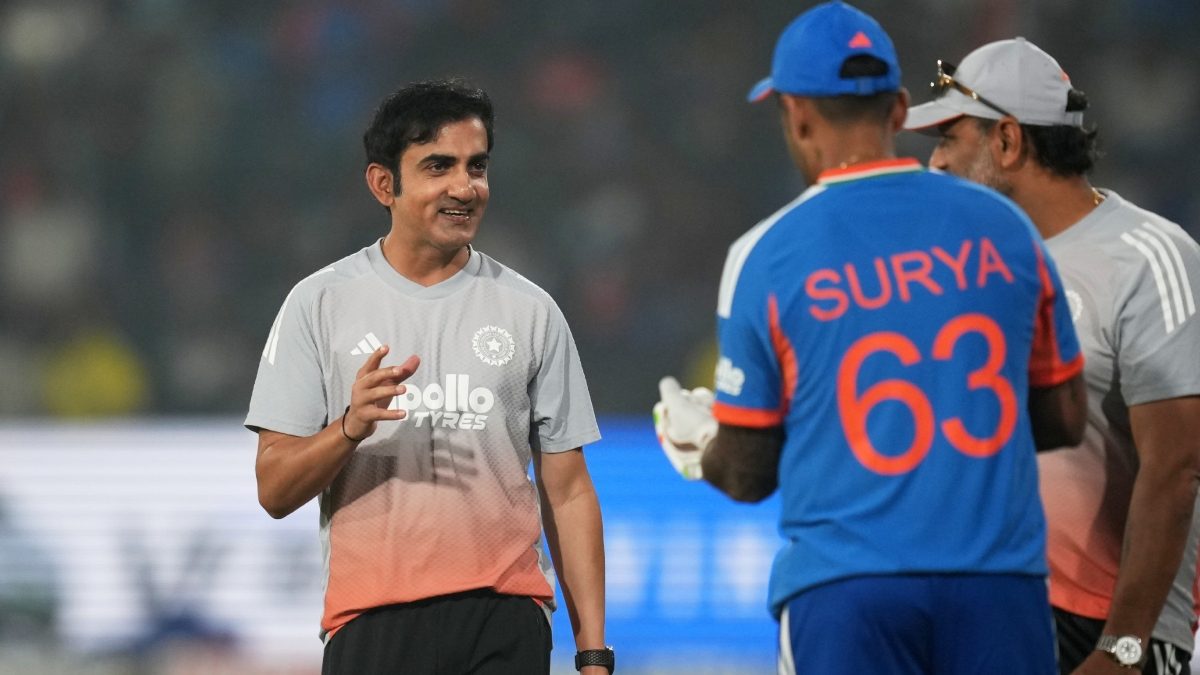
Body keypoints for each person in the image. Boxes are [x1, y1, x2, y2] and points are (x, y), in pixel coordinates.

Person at [652, 3, 1089, 673]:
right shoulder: (1006, 229)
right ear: (899, 110)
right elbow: (1063, 418)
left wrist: (705, 444)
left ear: (795, 113)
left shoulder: (765, 253)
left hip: (847, 590)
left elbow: (747, 473)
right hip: (1000, 586)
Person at [245, 80, 613, 675]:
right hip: (373, 621)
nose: (465, 187)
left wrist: (593, 652)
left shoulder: (531, 310)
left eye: (477, 166)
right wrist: (348, 428)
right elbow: (274, 490)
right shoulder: (319, 304)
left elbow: (568, 491)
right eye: (439, 166)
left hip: (507, 615)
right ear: (383, 184)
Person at [905, 37, 1200, 675]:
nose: (934, 163)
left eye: (949, 139)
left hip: (1109, 630)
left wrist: (1123, 648)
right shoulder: (971, 266)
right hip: (992, 609)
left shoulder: (1150, 257)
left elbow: (1176, 469)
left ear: (1008, 142)